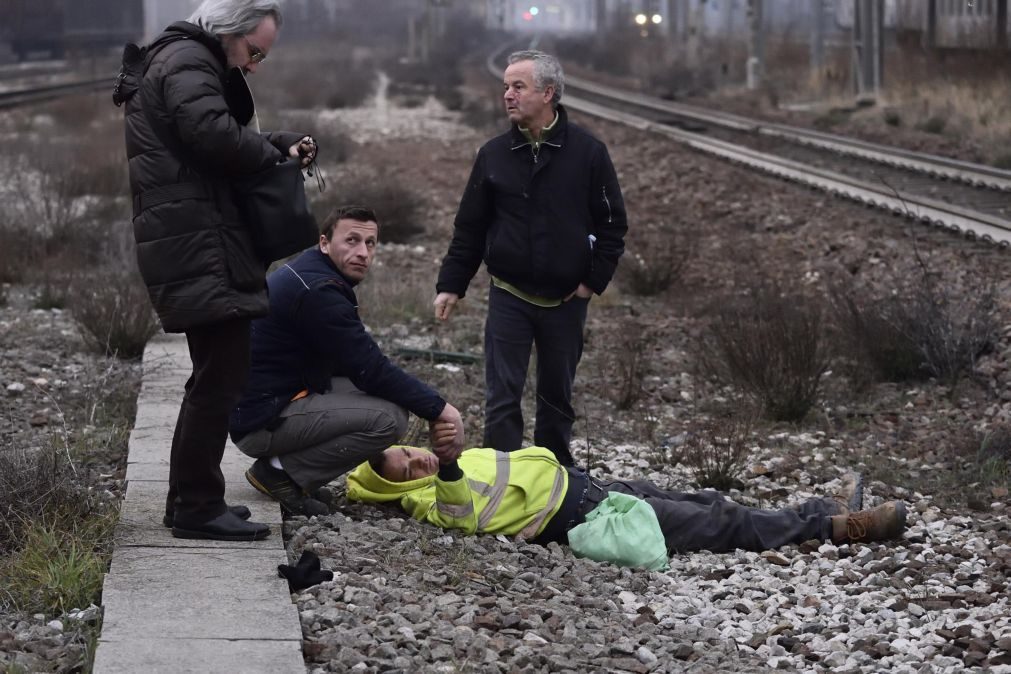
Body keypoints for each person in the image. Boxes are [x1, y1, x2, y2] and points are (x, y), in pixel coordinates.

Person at [118, 0, 318, 541]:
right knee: (221, 377)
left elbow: (212, 132)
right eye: (254, 52)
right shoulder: (188, 60)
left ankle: (188, 497)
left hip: (194, 238)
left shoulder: (185, 59)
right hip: (198, 242)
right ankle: (198, 506)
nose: (254, 66)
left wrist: (276, 143)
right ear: (227, 33)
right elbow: (211, 135)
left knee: (213, 375)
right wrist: (272, 156)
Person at [434, 50, 628, 467]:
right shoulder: (494, 154)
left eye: (518, 86)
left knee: (557, 395)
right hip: (510, 293)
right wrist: (452, 284)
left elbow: (613, 224)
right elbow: (470, 226)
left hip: (566, 299)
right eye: (505, 86)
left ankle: (552, 473)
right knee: (502, 394)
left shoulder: (588, 153)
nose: (507, 95)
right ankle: (502, 475)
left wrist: (591, 281)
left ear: (548, 93)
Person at [229, 205, 466, 516]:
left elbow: (358, 365)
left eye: (370, 243)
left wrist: (424, 401)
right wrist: (442, 410)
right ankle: (279, 473)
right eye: (351, 240)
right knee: (389, 418)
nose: (363, 252)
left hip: (263, 401)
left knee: (383, 395)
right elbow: (370, 369)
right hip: (259, 421)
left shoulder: (314, 272)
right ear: (325, 243)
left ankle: (291, 470)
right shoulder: (320, 292)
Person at [347, 442, 908, 557]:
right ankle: (842, 529)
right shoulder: (429, 496)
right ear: (399, 486)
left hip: (591, 486)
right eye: (405, 468)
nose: (415, 458)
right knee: (719, 525)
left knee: (707, 499)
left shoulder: (447, 458)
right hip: (588, 515)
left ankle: (819, 513)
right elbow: (459, 517)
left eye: (407, 450)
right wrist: (441, 468)